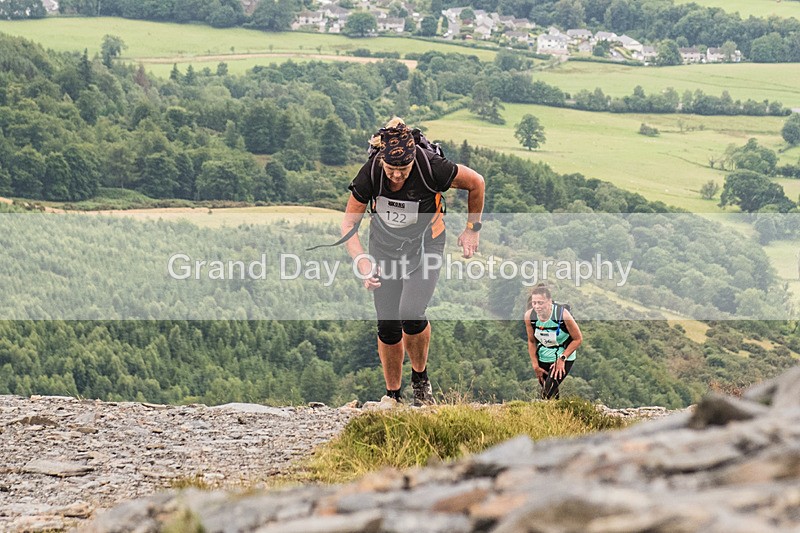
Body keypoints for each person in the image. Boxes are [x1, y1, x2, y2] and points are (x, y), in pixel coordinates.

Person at [342, 117, 485, 406]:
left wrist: (472, 229)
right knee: (388, 324)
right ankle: (393, 395)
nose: (397, 176)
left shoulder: (431, 166)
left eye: (403, 169)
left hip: (426, 243)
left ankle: (420, 380)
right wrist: (362, 262)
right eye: (392, 169)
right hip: (383, 248)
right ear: (382, 161)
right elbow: (348, 225)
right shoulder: (371, 172)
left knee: (410, 311)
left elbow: (477, 183)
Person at [524, 283, 582, 399]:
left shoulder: (563, 315)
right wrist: (535, 365)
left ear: (549, 301)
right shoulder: (530, 316)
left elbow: (578, 339)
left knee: (547, 393)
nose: (537, 306)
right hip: (543, 356)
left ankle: (543, 415)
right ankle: (557, 415)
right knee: (551, 392)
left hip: (563, 355)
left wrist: (562, 359)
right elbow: (531, 341)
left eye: (541, 303)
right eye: (534, 303)